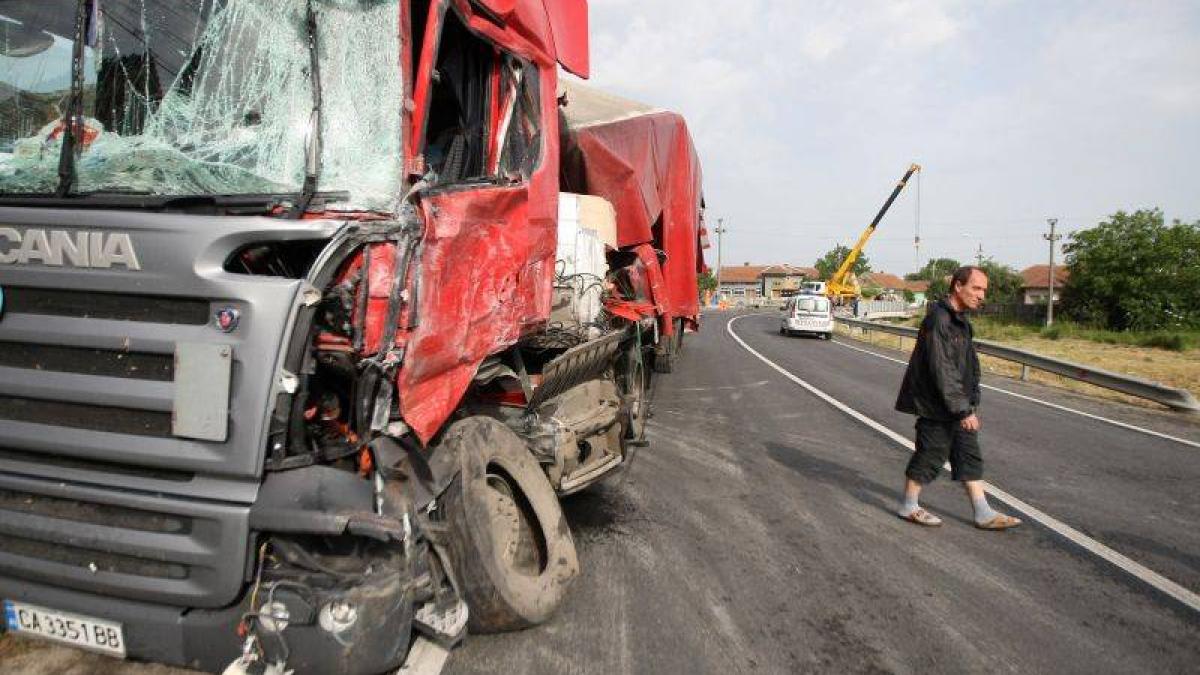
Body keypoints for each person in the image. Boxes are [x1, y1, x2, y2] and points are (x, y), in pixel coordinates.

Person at [894, 266, 1022, 530]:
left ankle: (983, 512)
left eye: (984, 290)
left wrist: (970, 401)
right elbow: (942, 369)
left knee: (968, 455)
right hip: (935, 405)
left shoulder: (961, 321)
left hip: (956, 403)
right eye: (976, 288)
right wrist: (964, 410)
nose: (981, 295)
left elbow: (966, 365)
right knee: (930, 454)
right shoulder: (939, 319)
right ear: (958, 286)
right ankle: (908, 506)